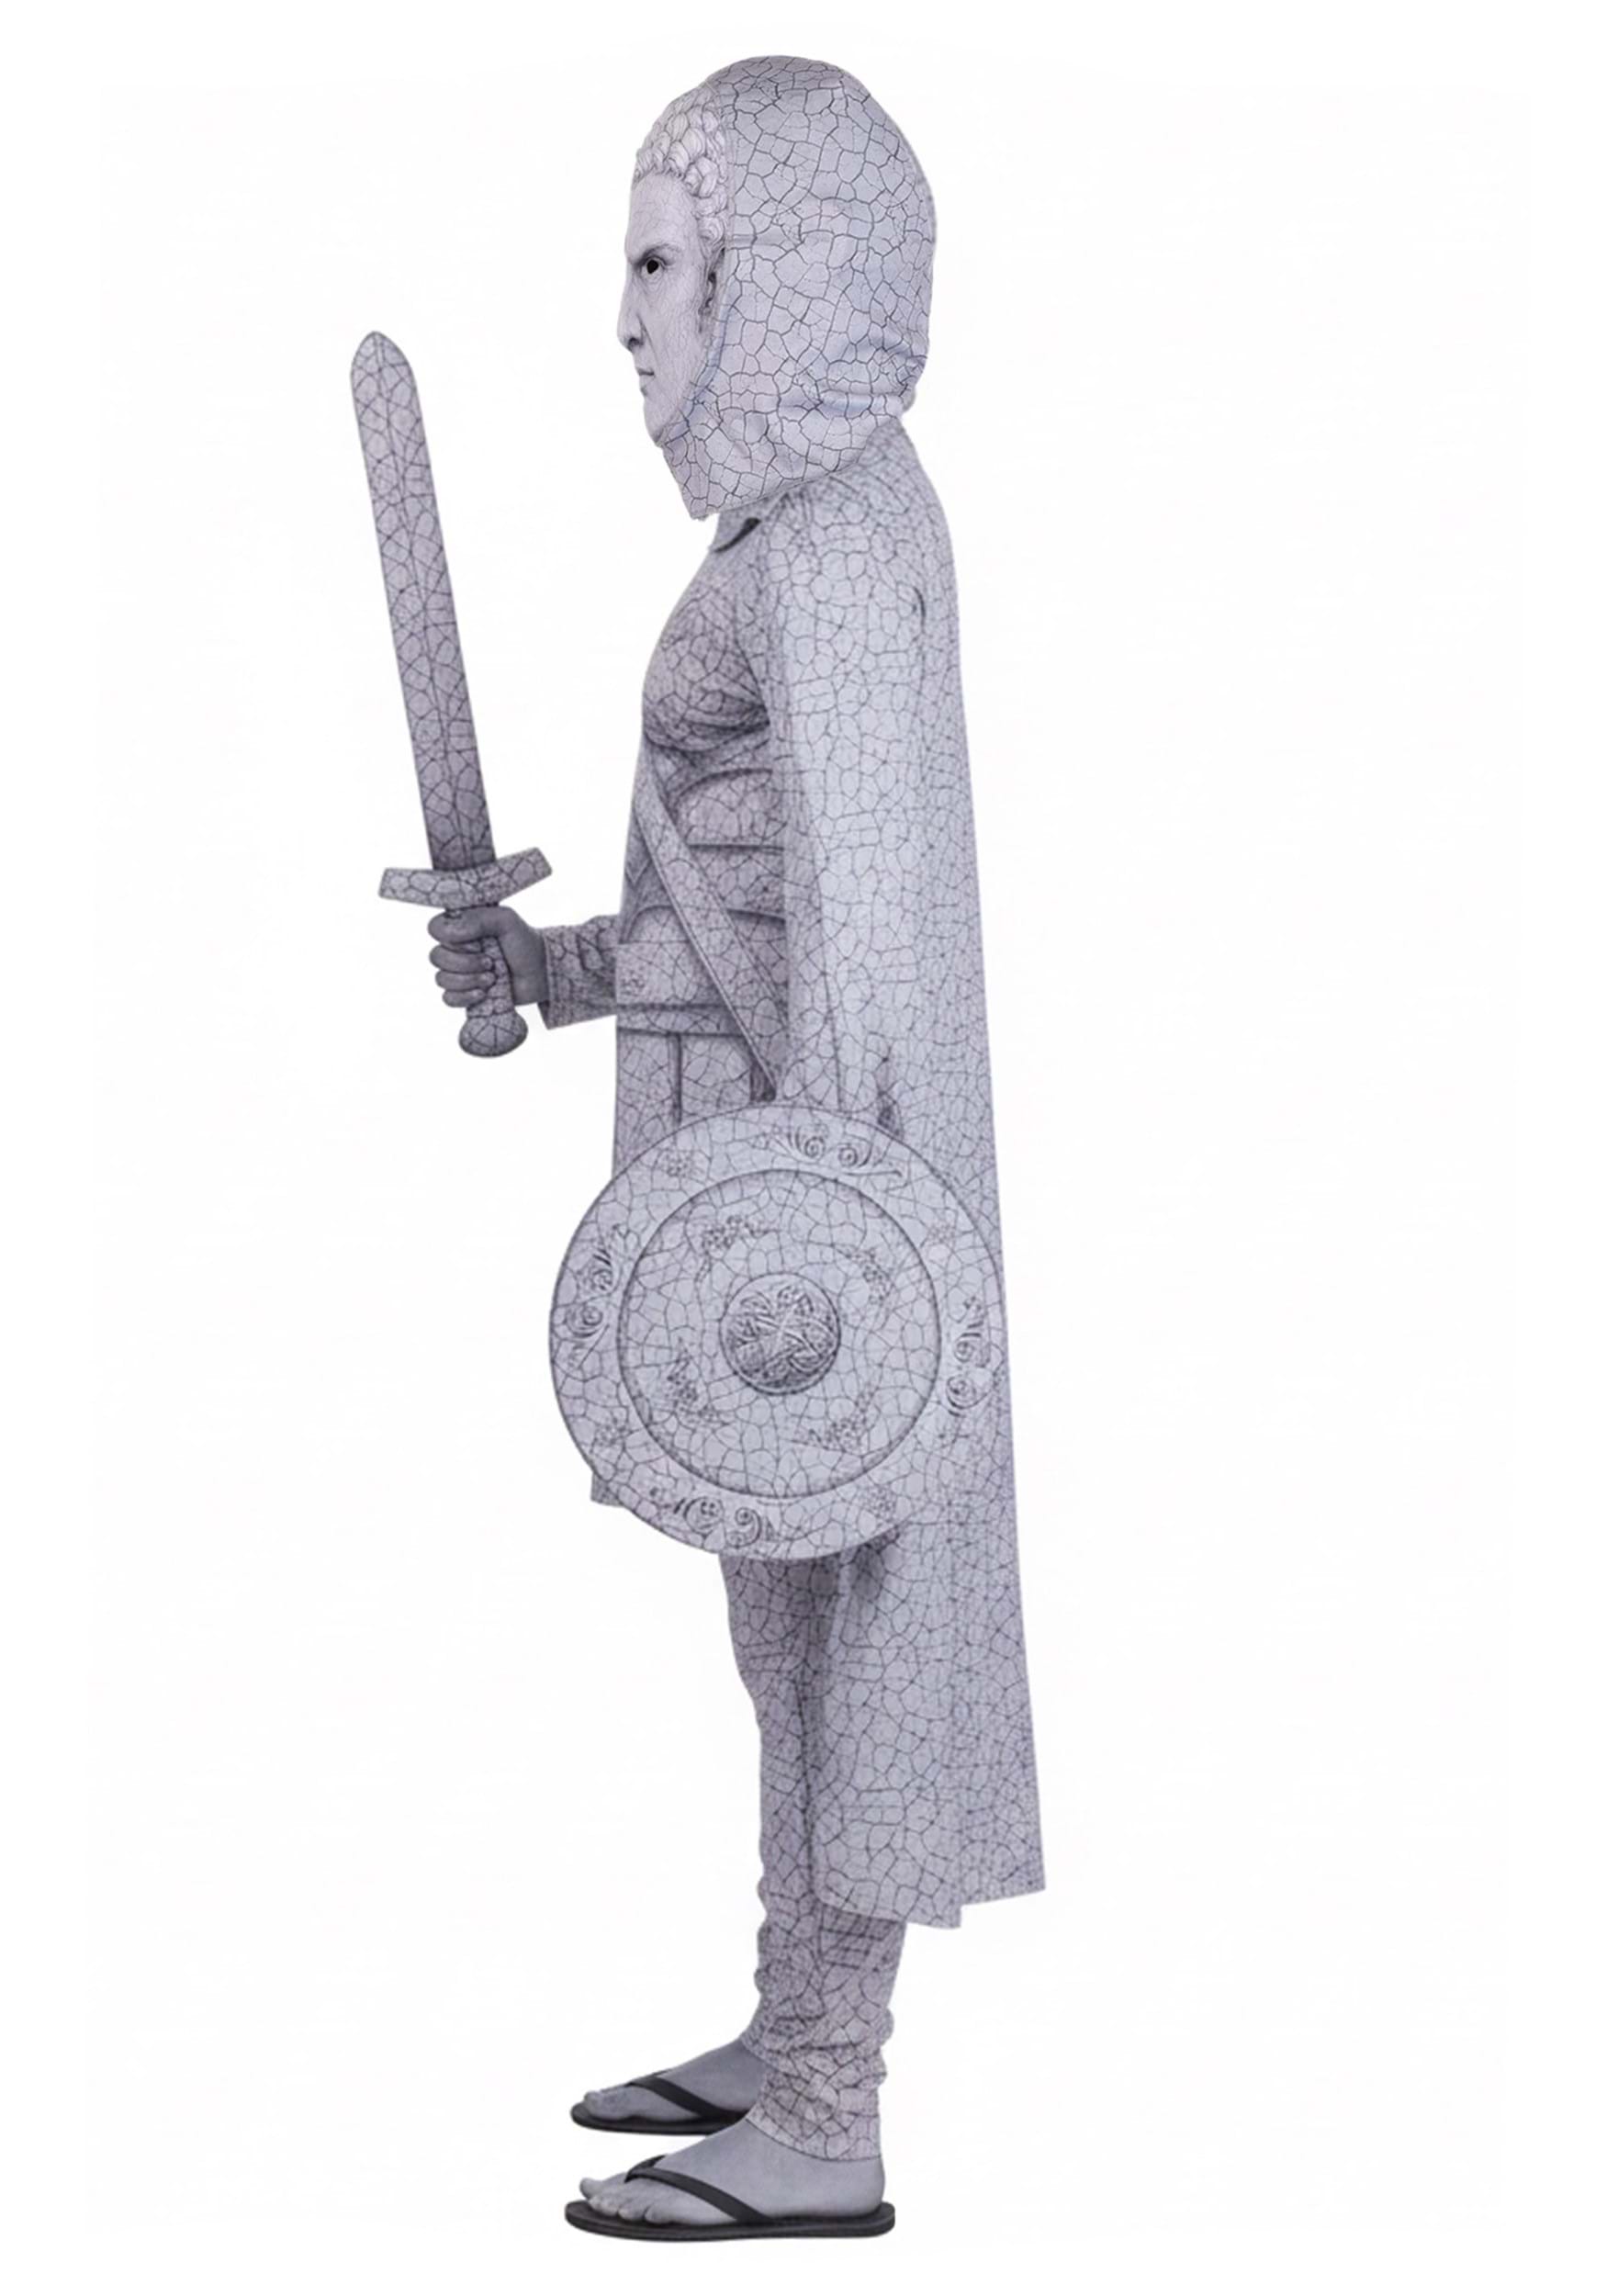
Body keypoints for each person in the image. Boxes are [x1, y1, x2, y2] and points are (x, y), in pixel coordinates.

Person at [427, 56, 1043, 2242]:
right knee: (780, 1645)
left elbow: (861, 961)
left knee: (832, 1640)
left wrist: (823, 1255)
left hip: (796, 1213)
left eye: (660, 262)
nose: (623, 317)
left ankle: (820, 2115)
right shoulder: (794, 537)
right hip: (750, 1182)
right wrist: (553, 969)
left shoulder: (837, 549)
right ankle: (788, 2026)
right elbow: (753, 904)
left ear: (776, 273)